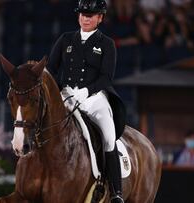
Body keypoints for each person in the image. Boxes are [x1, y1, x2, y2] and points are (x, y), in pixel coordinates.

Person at [46, 0, 126, 202]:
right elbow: (50, 70)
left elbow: (106, 77)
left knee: (109, 137)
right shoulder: (65, 39)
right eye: (82, 14)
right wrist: (56, 92)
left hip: (94, 99)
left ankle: (116, 192)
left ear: (100, 18)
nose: (85, 18)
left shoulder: (106, 44)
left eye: (90, 15)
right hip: (66, 97)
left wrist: (86, 91)